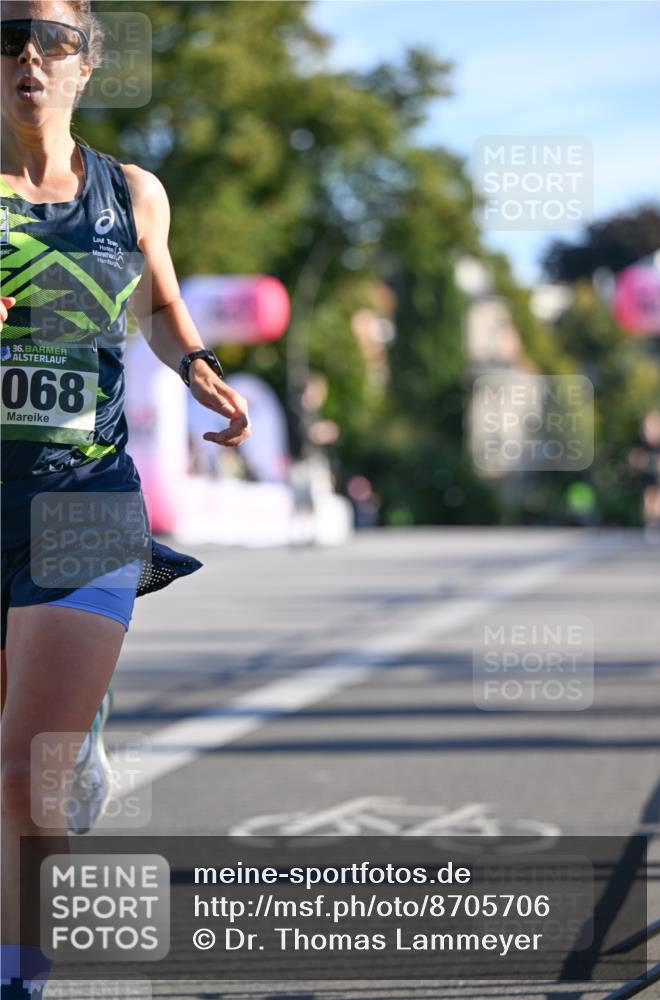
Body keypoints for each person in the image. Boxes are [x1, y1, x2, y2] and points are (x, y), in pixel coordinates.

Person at [0, 3, 251, 996]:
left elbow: (159, 304)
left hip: (83, 501)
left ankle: (18, 976)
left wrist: (201, 371)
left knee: (29, 776)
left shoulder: (131, 192)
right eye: (6, 33)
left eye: (52, 38)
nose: (27, 53)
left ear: (86, 63)